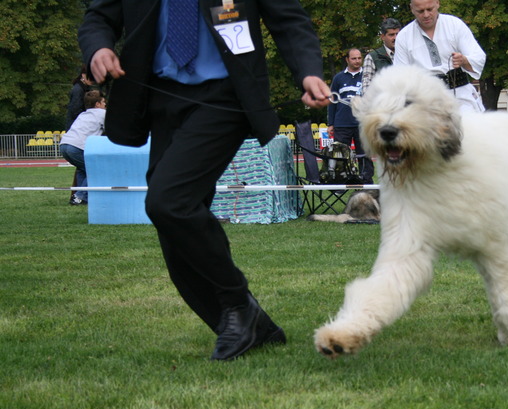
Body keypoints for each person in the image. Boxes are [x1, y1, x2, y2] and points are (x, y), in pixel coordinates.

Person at [78, 0, 331, 361]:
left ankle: (236, 303)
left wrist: (307, 72)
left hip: (225, 97)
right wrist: (99, 48)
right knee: (173, 227)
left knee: (168, 202)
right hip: (161, 98)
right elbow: (99, 16)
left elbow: (289, 20)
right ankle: (252, 326)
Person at [394, 0, 486, 113]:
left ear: (437, 3)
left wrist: (464, 60)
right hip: (424, 100)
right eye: (420, 11)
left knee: (468, 126)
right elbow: (400, 76)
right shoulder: (404, 36)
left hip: (461, 96)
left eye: (430, 9)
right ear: (412, 9)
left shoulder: (455, 25)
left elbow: (478, 58)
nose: (426, 15)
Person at [328, 48, 371, 183]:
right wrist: (330, 123)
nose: (357, 61)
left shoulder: (367, 77)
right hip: (342, 123)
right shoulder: (338, 78)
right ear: (347, 59)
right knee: (340, 155)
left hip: (362, 123)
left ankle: (366, 182)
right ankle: (340, 183)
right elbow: (332, 101)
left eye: (359, 58)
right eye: (354, 58)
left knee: (365, 155)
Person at [59, 91, 106, 206]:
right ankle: (79, 196)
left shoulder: (83, 114)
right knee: (96, 170)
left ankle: (83, 199)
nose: (106, 104)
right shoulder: (102, 113)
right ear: (97, 104)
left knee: (82, 169)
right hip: (76, 147)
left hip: (64, 145)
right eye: (104, 102)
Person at [361, 18, 402, 93]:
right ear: (382, 37)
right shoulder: (372, 57)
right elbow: (366, 88)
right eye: (391, 35)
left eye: (397, 34)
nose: (395, 38)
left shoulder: (406, 54)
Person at [65, 65, 94, 131]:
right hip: (76, 128)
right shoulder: (78, 90)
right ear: (83, 75)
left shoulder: (86, 88)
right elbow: (75, 110)